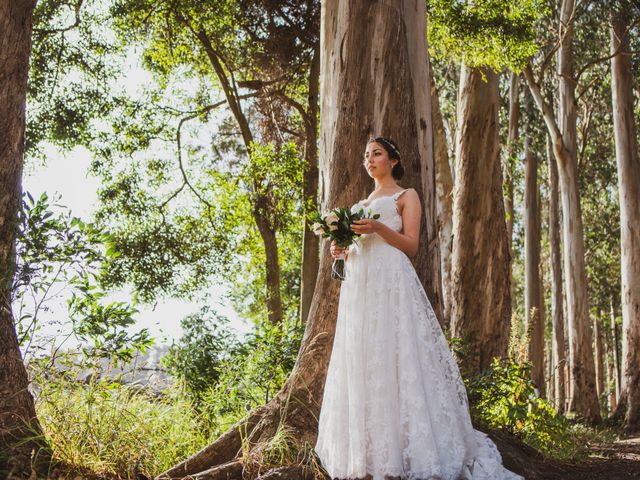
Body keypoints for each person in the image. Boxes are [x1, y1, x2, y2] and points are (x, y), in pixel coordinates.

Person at [314, 136, 525, 480]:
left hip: (392, 282)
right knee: (368, 361)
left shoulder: (405, 196)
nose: (370, 160)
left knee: (398, 356)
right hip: (362, 288)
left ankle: (407, 452)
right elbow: (355, 249)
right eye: (367, 155)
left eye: (377, 154)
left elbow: (411, 245)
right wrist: (343, 252)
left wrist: (380, 227)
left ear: (393, 160)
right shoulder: (357, 204)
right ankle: (370, 456)